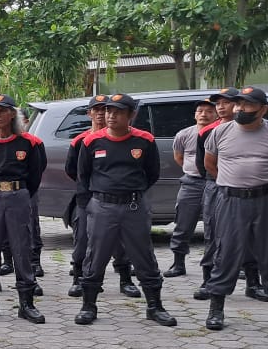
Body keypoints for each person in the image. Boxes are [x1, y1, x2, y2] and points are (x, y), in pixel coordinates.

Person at [203, 86, 268, 331]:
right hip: (231, 200)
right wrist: (234, 181)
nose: (240, 109)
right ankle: (216, 309)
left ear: (263, 109)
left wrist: (261, 180)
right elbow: (210, 164)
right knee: (226, 252)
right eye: (238, 104)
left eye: (247, 104)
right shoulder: (220, 131)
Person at [75, 93, 176, 327]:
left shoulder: (144, 140)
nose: (111, 115)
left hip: (133, 207)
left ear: (131, 115)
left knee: (144, 256)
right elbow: (82, 176)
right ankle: (88, 306)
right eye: (109, 110)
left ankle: (155, 306)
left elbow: (152, 173)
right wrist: (90, 205)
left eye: (118, 111)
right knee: (95, 256)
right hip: (102, 207)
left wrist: (132, 192)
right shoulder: (91, 141)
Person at [0, 94, 45, 323]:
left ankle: (26, 303)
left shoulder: (29, 143)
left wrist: (19, 193)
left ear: (12, 114)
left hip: (18, 196)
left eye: (2, 110)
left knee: (22, 248)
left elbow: (35, 176)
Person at [194, 88, 268, 302]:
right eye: (217, 103)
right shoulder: (209, 131)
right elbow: (203, 164)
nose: (221, 107)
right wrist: (224, 179)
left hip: (249, 191)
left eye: (226, 102)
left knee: (251, 235)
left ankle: (253, 283)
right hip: (217, 186)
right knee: (214, 233)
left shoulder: (254, 130)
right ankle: (209, 281)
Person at [63, 96, 137, 299]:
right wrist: (92, 188)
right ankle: (78, 278)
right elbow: (73, 170)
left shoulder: (127, 138)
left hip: (117, 200)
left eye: (104, 109)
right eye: (96, 110)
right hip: (88, 198)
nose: (101, 114)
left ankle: (126, 279)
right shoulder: (80, 141)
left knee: (120, 241)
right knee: (82, 239)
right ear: (89, 113)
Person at [164, 98, 216, 277]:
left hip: (215, 182)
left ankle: (219, 265)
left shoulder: (220, 132)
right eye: (200, 111)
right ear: (195, 114)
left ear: (216, 114)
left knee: (216, 227)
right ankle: (178, 264)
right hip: (191, 183)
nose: (204, 114)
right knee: (183, 225)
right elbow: (179, 157)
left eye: (209, 111)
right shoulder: (184, 134)